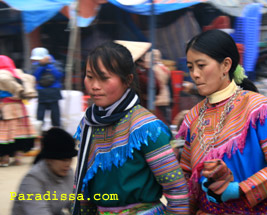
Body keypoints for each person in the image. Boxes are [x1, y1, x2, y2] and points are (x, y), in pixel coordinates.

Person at [176, 30, 267, 214]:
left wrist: (239, 189)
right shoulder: (194, 116)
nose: (195, 74)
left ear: (226, 65)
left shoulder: (260, 109)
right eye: (190, 67)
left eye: (201, 65)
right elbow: (187, 176)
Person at [72, 41, 189, 214]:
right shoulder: (88, 124)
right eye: (90, 76)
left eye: (103, 78)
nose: (95, 86)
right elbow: (85, 187)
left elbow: (176, 190)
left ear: (127, 80)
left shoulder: (147, 129)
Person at [12, 127, 77, 215]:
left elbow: (74, 205)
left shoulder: (69, 173)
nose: (67, 164)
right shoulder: (32, 180)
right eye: (62, 159)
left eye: (69, 159)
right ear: (48, 159)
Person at [0, 55, 37, 166]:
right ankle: (18, 159)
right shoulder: (18, 73)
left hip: (6, 108)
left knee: (5, 135)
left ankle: (4, 159)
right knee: (20, 134)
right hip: (20, 108)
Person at [30, 47, 63, 129]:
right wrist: (41, 66)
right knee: (40, 115)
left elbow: (58, 76)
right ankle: (39, 131)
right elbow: (35, 78)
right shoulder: (35, 66)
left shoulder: (55, 64)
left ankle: (56, 129)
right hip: (42, 92)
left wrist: (48, 65)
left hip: (54, 92)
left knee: (55, 114)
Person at [144, 49, 172, 125]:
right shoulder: (165, 68)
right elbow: (169, 85)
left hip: (156, 100)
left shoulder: (151, 69)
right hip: (165, 99)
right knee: (165, 120)